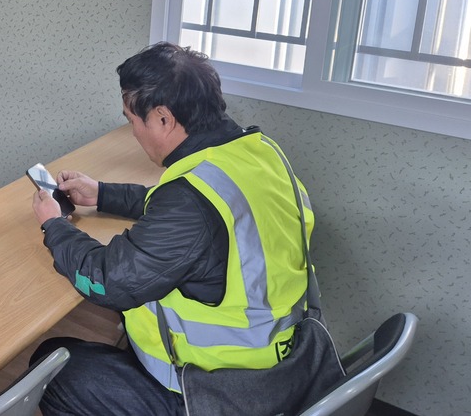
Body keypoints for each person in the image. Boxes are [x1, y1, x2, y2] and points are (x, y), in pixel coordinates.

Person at [31, 42, 321, 416]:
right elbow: (193, 209)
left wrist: (54, 225)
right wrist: (102, 193)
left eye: (132, 120)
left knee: (51, 365)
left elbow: (107, 282)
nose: (133, 132)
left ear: (163, 119)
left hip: (220, 391)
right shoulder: (259, 153)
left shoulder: (189, 202)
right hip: (287, 363)